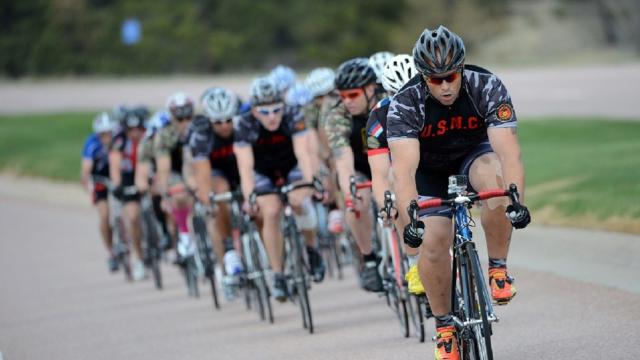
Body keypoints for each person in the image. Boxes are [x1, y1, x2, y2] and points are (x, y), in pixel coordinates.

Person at [386, 26, 531, 360]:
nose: (446, 85)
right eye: (435, 80)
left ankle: (497, 268)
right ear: (423, 78)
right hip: (428, 169)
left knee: (495, 187)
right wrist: (412, 221)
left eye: (451, 75)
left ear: (462, 68)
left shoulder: (487, 86)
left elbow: (510, 153)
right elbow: (405, 170)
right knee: (434, 242)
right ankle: (445, 327)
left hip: (473, 155)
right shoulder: (405, 103)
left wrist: (516, 202)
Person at [234, 76, 325, 301]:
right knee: (271, 212)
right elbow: (245, 167)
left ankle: (312, 250)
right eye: (264, 112)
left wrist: (311, 180)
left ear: (283, 106)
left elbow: (304, 154)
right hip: (263, 172)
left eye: (276, 110)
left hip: (291, 165)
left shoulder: (293, 114)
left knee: (298, 201)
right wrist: (250, 196)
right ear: (254, 112)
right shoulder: (244, 124)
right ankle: (278, 275)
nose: (272, 116)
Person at [365, 54, 424, 295]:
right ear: (388, 93)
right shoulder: (378, 117)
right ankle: (414, 263)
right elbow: (379, 173)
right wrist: (385, 204)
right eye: (399, 95)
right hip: (399, 168)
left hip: (433, 162)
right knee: (393, 181)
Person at [325, 58, 384, 292]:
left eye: (353, 95)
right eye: (342, 96)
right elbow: (342, 156)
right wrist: (349, 189)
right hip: (360, 166)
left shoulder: (387, 103)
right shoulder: (337, 115)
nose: (347, 101)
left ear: (370, 89)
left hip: (387, 162)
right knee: (356, 203)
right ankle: (369, 259)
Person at [190, 87, 244, 299]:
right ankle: (227, 253)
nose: (224, 126)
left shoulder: (244, 126)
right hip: (216, 172)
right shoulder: (201, 135)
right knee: (218, 195)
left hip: (241, 168)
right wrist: (207, 201)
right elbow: (202, 174)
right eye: (218, 122)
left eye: (228, 120)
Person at [154, 92, 196, 261]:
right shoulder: (164, 135)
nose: (185, 123)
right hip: (175, 170)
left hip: (197, 167)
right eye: (180, 119)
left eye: (188, 117)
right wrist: (165, 194)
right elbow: (163, 168)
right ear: (172, 118)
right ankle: (184, 234)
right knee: (179, 195)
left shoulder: (200, 127)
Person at [109, 109, 147, 280]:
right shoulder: (119, 141)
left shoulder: (149, 137)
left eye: (138, 128)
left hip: (147, 172)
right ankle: (138, 258)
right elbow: (115, 165)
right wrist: (117, 184)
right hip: (128, 177)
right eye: (130, 130)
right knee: (132, 217)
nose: (134, 133)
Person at [81, 112, 116, 272]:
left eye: (109, 133)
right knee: (104, 216)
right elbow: (86, 168)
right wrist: (88, 184)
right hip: (100, 179)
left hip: (117, 176)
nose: (107, 137)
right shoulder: (91, 143)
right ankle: (110, 251)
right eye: (103, 134)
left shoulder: (118, 141)